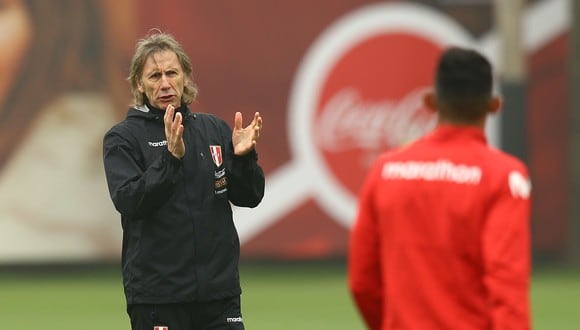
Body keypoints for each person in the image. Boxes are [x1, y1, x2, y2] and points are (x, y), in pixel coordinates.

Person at [348, 47, 531, 329]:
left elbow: (362, 282)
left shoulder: (385, 169)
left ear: (430, 101)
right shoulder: (504, 175)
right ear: (494, 105)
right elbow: (507, 284)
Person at [102, 31, 265, 330]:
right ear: (139, 83)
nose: (164, 83)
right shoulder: (123, 138)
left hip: (219, 295)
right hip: (159, 299)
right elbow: (129, 200)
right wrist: (170, 160)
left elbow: (250, 196)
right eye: (154, 76)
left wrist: (244, 158)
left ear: (186, 77)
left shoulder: (213, 129)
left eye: (171, 73)